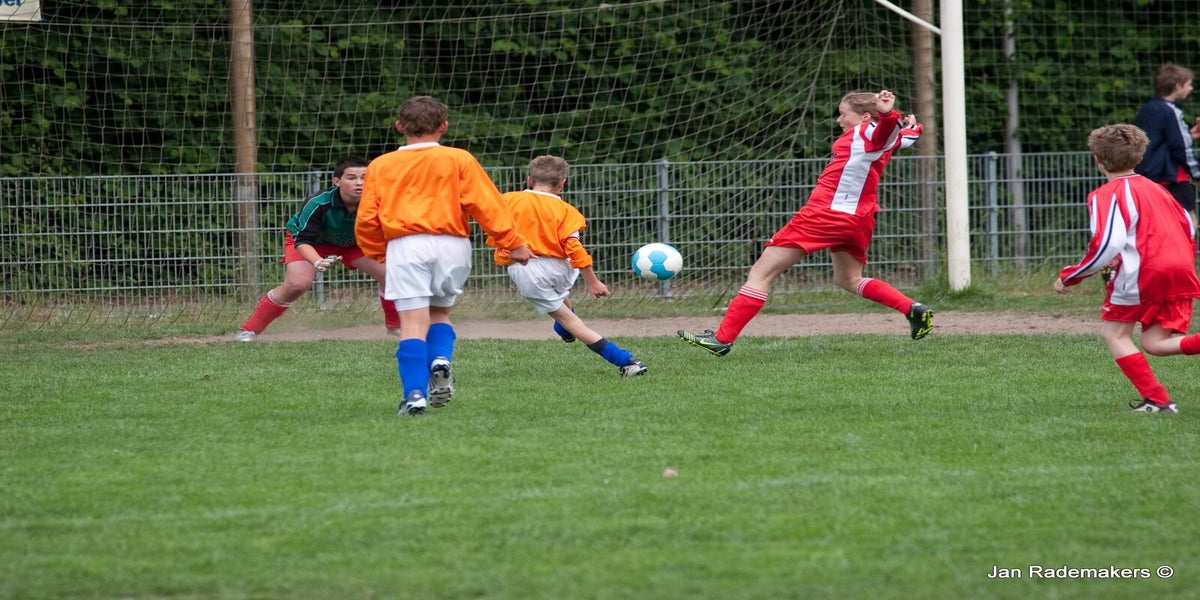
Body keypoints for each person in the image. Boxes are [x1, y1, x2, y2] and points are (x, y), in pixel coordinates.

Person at [678, 89, 931, 356]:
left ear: (866, 117)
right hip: (858, 219)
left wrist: (888, 113)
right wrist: (912, 125)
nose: (839, 120)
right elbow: (907, 137)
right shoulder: (881, 137)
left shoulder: (866, 132)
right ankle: (912, 309)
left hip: (824, 216)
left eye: (843, 114)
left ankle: (721, 339)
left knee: (761, 273)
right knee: (849, 279)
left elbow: (885, 131)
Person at [356, 96, 534, 416]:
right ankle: (441, 358)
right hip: (453, 244)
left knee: (412, 323)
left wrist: (378, 252)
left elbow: (367, 218)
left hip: (406, 244)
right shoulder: (459, 158)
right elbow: (487, 206)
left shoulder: (381, 165)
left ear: (400, 127)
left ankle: (414, 395)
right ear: (444, 127)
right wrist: (512, 242)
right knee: (439, 313)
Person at [1055, 123, 1200, 414]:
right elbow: (1188, 226)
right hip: (1180, 270)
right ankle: (1158, 401)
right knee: (1155, 343)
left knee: (1115, 335)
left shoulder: (1106, 194)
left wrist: (1070, 276)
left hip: (1143, 274)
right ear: (1139, 156)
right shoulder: (1159, 190)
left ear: (1097, 159)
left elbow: (1107, 245)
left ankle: (1158, 401)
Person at [490, 155, 647, 378]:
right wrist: (592, 281)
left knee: (571, 321)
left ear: (529, 180)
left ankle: (627, 362)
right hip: (561, 268)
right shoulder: (568, 211)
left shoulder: (508, 200)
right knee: (559, 297)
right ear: (562, 183)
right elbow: (574, 248)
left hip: (527, 269)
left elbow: (491, 222)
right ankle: (563, 328)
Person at [235, 156, 400, 342]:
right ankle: (249, 330)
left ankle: (395, 327)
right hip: (310, 242)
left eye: (365, 177)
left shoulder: (379, 202)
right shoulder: (319, 203)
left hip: (354, 244)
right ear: (337, 181)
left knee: (391, 275)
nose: (359, 183)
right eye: (352, 177)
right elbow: (303, 240)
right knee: (297, 284)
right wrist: (317, 261)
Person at [1133, 62, 1200, 225]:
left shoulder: (1147, 110)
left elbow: (1159, 141)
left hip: (1147, 177)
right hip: (1172, 177)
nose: (1191, 88)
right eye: (1188, 84)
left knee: (1156, 223)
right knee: (1188, 222)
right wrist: (1197, 173)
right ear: (1177, 86)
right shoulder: (1171, 111)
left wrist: (1189, 136)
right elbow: (1181, 147)